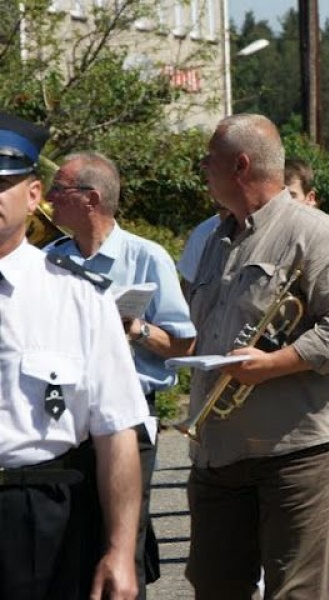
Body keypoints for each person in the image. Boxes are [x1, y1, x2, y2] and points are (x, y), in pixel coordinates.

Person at [186, 114, 329, 599]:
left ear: (240, 166)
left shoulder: (315, 232)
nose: (202, 168)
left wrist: (273, 364)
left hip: (297, 451)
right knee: (213, 587)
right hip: (220, 451)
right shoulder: (214, 238)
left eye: (210, 160)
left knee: (295, 593)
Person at [0, 111, 148, 599]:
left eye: (4, 183)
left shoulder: (80, 297)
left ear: (35, 194)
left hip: (44, 518)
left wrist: (121, 551)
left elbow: (116, 432)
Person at [45, 151, 196, 598]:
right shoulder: (50, 259)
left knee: (122, 546)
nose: (49, 198)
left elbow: (184, 343)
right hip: (65, 418)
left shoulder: (147, 257)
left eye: (60, 190)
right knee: (70, 540)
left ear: (90, 199)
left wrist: (135, 329)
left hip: (129, 420)